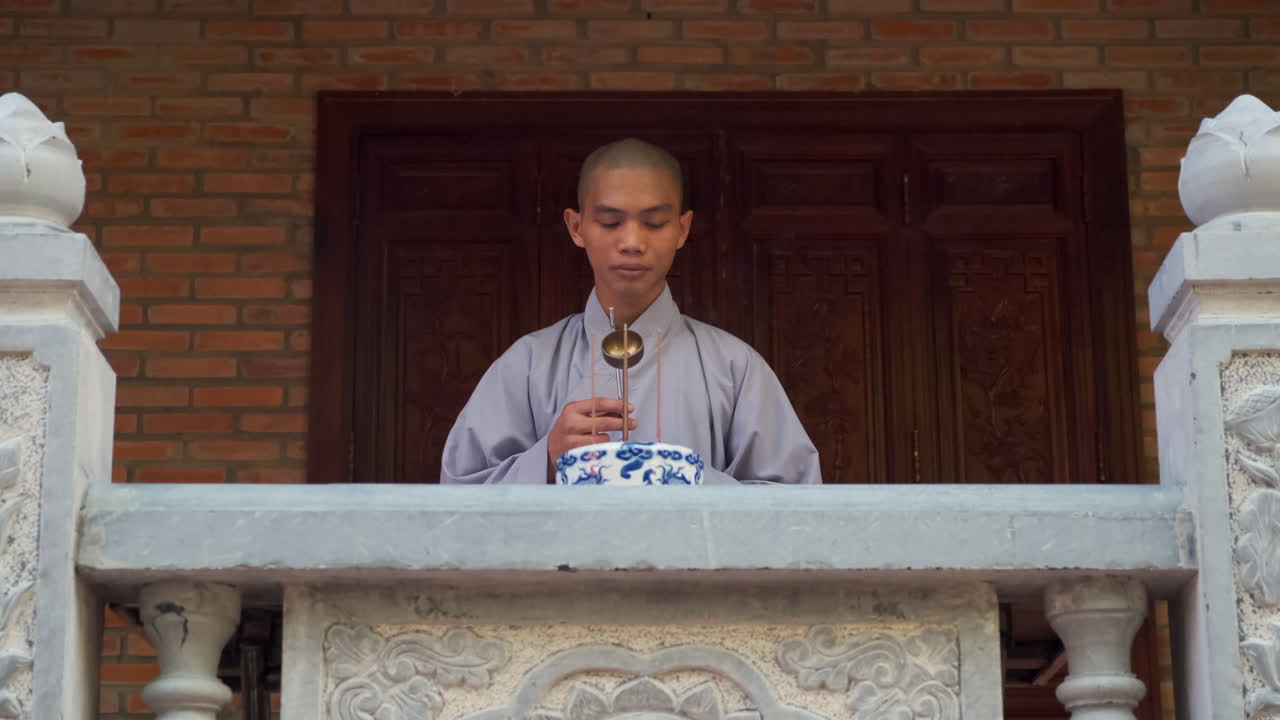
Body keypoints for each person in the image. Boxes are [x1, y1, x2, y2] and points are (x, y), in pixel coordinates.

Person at [440, 138, 821, 485]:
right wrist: (547, 459)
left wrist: (690, 481)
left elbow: (797, 509)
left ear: (682, 229)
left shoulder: (735, 367)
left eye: (655, 223)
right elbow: (456, 503)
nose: (632, 242)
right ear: (576, 227)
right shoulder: (526, 364)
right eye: (610, 222)